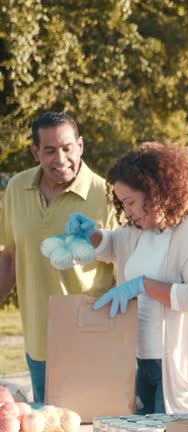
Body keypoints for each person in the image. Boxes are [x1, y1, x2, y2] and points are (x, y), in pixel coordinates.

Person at [66, 143, 188, 415]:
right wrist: (91, 234)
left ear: (156, 193)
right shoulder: (138, 230)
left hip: (178, 369)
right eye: (122, 203)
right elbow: (111, 245)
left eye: (130, 202)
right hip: (141, 363)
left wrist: (143, 285)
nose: (127, 211)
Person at [0, 112, 117, 403]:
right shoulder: (17, 188)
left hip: (92, 337)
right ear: (35, 151)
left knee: (93, 422)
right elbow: (10, 258)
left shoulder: (106, 195)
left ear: (80, 146)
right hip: (38, 340)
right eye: (50, 150)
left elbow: (123, 267)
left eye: (67, 148)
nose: (60, 158)